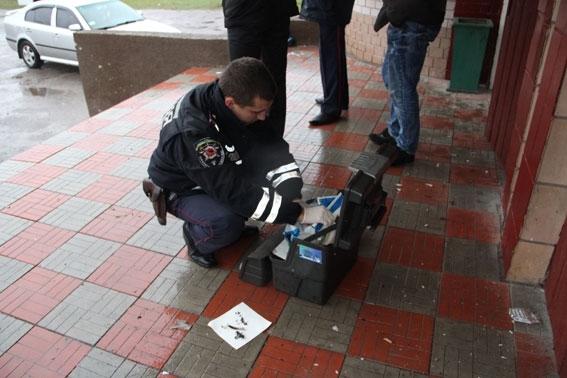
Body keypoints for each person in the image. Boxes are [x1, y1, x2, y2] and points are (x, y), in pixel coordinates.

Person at [146, 57, 335, 268]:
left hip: (215, 172)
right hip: (180, 187)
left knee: (259, 194)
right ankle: (197, 239)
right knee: (228, 221)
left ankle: (232, 221)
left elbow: (273, 150)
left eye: (266, 110)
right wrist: (298, 214)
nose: (263, 118)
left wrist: (292, 193)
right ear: (230, 103)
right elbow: (232, 190)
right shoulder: (195, 134)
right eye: (256, 112)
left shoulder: (232, 99)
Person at [368, 0, 447, 165]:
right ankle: (395, 130)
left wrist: (396, 13)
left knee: (402, 89)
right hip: (407, 19)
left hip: (411, 20)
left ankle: (406, 146)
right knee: (393, 81)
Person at [222, 0, 299, 137]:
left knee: (275, 80)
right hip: (242, 11)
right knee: (240, 81)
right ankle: (242, 142)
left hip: (277, 10)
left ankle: (274, 143)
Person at [299, 0, 355, 126]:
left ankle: (333, 106)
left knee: (332, 56)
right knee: (329, 54)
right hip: (328, 8)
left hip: (332, 8)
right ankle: (336, 99)